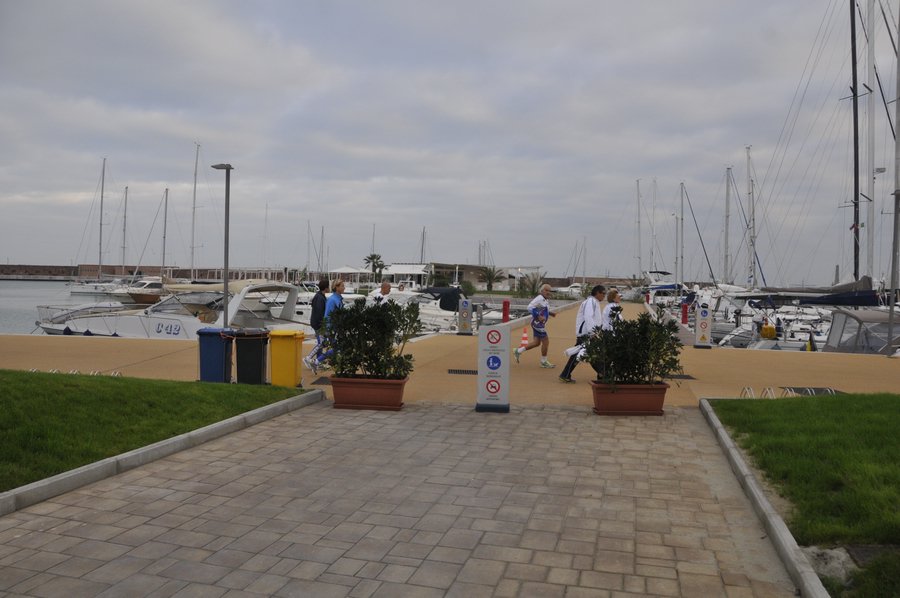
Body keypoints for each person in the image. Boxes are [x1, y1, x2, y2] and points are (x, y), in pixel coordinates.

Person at [558, 284, 605, 383]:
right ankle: (603, 374)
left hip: (588, 333)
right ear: (597, 293)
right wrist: (592, 332)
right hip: (586, 333)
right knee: (590, 354)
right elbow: (588, 317)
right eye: (603, 293)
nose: (604, 296)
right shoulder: (591, 302)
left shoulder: (593, 302)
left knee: (581, 354)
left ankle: (565, 374)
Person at [514, 283, 557, 368]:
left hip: (539, 324)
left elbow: (541, 309)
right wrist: (538, 316)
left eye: (549, 291)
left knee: (536, 343)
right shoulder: (539, 298)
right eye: (546, 290)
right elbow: (529, 307)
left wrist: (550, 313)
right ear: (542, 291)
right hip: (538, 324)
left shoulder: (544, 299)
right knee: (546, 341)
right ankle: (543, 361)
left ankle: (518, 351)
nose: (548, 292)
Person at [311, 279, 345, 372]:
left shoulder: (338, 298)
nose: (344, 288)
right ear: (336, 287)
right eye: (342, 286)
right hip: (332, 329)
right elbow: (327, 315)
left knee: (337, 348)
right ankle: (316, 361)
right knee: (338, 348)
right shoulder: (332, 300)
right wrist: (328, 329)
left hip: (336, 328)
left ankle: (317, 362)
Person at [303, 279, 329, 373]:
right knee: (321, 343)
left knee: (320, 342)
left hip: (317, 323)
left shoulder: (319, 296)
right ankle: (308, 358)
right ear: (326, 288)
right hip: (318, 324)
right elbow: (319, 313)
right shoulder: (320, 298)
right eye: (328, 286)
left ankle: (317, 362)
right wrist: (322, 325)